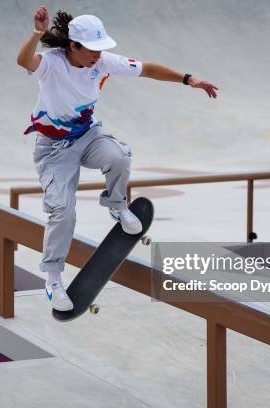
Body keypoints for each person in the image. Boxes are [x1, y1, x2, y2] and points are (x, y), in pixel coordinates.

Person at [17, 6, 218, 311]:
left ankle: (116, 205)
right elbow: (24, 61)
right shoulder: (52, 64)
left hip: (87, 137)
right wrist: (36, 33)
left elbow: (147, 68)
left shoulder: (103, 62)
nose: (98, 56)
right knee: (63, 212)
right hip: (54, 149)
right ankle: (53, 278)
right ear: (74, 45)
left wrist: (188, 79)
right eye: (92, 50)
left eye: (101, 49)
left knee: (120, 156)